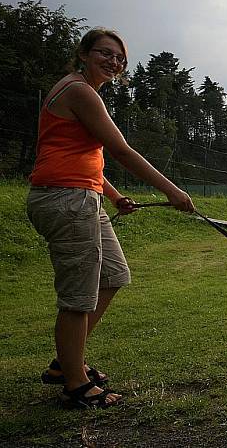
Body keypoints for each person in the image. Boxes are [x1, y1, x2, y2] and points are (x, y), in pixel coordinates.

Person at [26, 27, 195, 409]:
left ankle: (65, 363)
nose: (114, 62)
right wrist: (172, 191)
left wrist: (116, 197)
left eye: (120, 58)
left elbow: (83, 156)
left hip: (84, 197)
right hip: (66, 200)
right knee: (78, 299)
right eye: (105, 53)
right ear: (84, 53)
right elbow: (120, 150)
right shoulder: (79, 90)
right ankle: (75, 383)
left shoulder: (83, 93)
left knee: (114, 276)